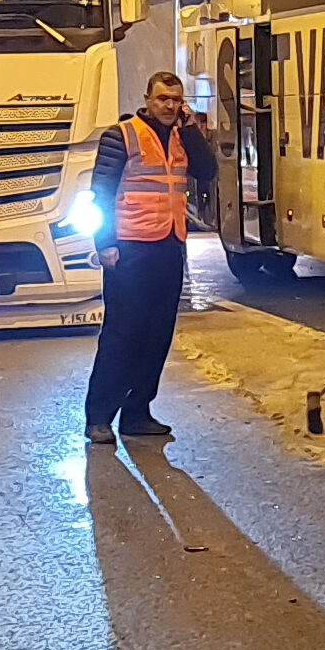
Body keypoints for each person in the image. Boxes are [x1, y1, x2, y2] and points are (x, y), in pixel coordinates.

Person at [80, 72, 215, 445]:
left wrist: (190, 130)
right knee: (122, 334)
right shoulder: (120, 136)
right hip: (129, 249)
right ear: (147, 99)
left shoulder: (180, 137)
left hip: (169, 245)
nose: (170, 106)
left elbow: (208, 172)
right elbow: (101, 195)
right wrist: (104, 243)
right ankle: (99, 417)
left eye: (176, 99)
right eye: (162, 99)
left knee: (157, 334)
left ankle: (138, 412)